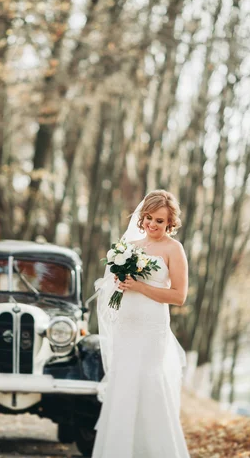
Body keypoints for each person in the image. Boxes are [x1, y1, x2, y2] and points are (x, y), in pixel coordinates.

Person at [92, 189, 190, 458]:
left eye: (159, 220)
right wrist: (120, 286)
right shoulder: (129, 248)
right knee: (123, 384)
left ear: (170, 222)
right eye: (148, 218)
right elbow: (118, 289)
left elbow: (179, 296)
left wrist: (140, 286)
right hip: (126, 326)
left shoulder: (174, 249)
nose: (152, 224)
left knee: (148, 383)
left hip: (151, 328)